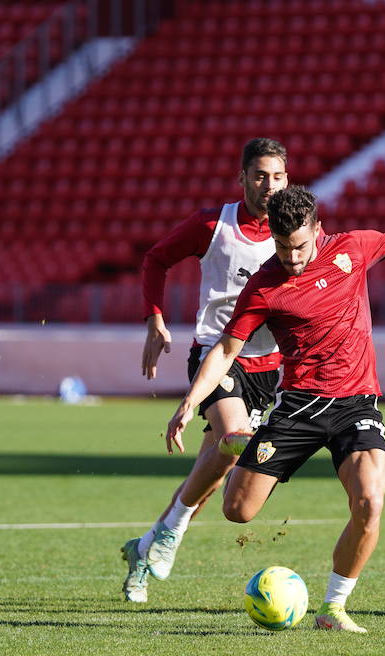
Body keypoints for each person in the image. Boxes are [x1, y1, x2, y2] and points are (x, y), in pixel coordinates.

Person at [167, 186, 385, 632]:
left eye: (298, 245)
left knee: (370, 502)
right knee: (237, 510)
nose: (292, 257)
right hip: (297, 406)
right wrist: (189, 403)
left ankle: (333, 608)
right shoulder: (264, 284)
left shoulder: (352, 248)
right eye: (281, 247)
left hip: (356, 403)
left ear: (318, 228)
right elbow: (226, 349)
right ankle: (246, 443)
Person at [121, 138, 289, 603]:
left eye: (277, 176)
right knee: (233, 438)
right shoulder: (214, 224)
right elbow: (156, 258)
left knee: (213, 470)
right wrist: (154, 318)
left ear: (288, 180)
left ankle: (147, 545)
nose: (269, 185)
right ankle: (170, 531)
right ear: (242, 178)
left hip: (268, 369)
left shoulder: (296, 229)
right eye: (259, 175)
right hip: (216, 354)